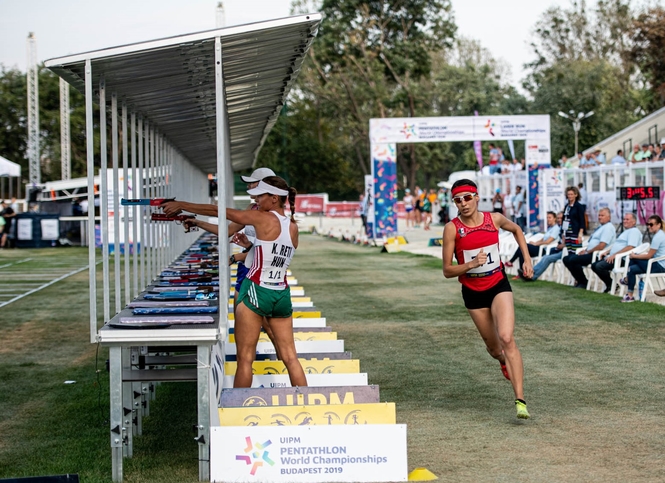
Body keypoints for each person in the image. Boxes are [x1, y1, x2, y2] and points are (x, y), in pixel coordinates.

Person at [442, 179, 532, 420]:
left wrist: (527, 259)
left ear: (476, 197)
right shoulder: (452, 229)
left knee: (507, 337)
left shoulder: (495, 219)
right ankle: (502, 360)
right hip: (473, 291)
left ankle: (520, 400)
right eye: (458, 200)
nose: (463, 203)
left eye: (467, 198)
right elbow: (447, 270)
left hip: (498, 284)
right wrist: (470, 264)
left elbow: (517, 230)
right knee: (494, 348)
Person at [226, 176, 307, 387]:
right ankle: (306, 404)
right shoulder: (293, 227)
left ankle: (239, 406)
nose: (256, 199)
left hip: (257, 288)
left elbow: (223, 213)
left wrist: (182, 206)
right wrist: (249, 247)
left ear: (274, 198)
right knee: (291, 358)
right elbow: (271, 253)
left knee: (245, 359)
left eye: (260, 195)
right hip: (281, 294)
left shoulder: (262, 218)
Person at [562, 208, 615, 289]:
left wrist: (587, 252)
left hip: (597, 254)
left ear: (609, 217)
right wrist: (585, 250)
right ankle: (581, 280)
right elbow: (592, 242)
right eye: (599, 215)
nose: (600, 217)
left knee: (573, 260)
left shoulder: (608, 228)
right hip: (590, 252)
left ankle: (583, 282)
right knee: (566, 259)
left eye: (602, 215)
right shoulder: (601, 227)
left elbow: (601, 246)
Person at [590, 213, 642, 293]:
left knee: (599, 266)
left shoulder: (634, 231)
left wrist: (614, 255)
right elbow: (619, 245)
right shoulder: (627, 231)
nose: (625, 221)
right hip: (615, 257)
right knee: (594, 265)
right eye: (624, 219)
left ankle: (612, 285)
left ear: (634, 222)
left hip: (623, 259)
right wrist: (608, 252)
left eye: (627, 219)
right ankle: (611, 284)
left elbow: (630, 247)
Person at [620, 215, 665, 302]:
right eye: (648, 224)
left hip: (660, 266)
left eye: (651, 224)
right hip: (657, 263)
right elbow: (652, 255)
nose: (649, 226)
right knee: (632, 269)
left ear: (659, 225)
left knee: (633, 258)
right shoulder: (659, 235)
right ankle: (629, 295)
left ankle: (627, 279)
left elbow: (649, 256)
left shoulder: (658, 237)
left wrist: (635, 256)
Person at [519, 212, 565, 281]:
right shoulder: (557, 229)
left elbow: (548, 241)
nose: (559, 220)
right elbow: (543, 239)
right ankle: (528, 273)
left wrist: (563, 245)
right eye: (558, 218)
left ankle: (531, 274)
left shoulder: (558, 229)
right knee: (523, 248)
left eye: (561, 218)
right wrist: (535, 243)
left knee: (545, 257)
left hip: (553, 249)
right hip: (553, 249)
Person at [562, 186, 586, 252]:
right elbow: (564, 219)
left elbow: (582, 221)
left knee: (575, 250)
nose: (570, 196)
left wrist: (580, 234)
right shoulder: (567, 206)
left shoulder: (579, 206)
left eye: (571, 194)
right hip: (567, 232)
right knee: (568, 250)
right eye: (568, 194)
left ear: (576, 195)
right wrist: (563, 233)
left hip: (575, 232)